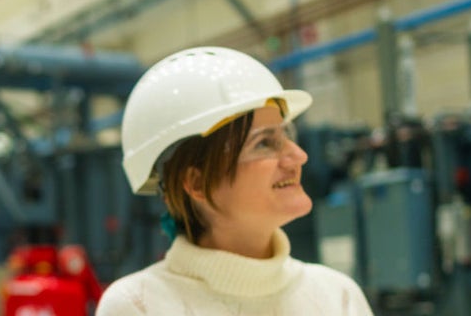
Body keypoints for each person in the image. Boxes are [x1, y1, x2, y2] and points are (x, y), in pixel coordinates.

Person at [98, 47, 374, 315]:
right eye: (264, 143)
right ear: (195, 183)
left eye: (287, 135)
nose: (298, 156)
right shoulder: (138, 305)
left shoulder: (337, 296)